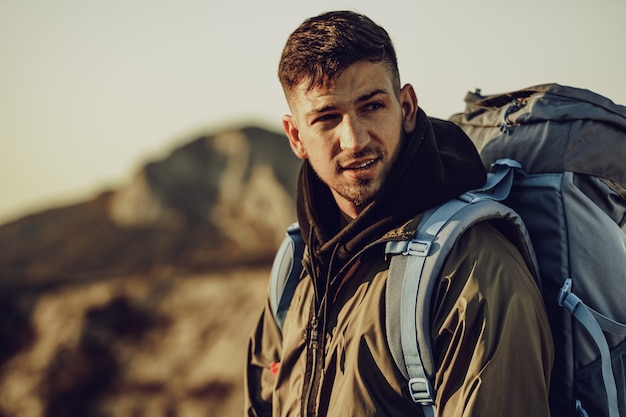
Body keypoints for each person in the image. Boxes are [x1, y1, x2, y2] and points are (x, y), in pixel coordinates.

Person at [244, 10, 553, 417]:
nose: (353, 140)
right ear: (296, 136)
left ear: (406, 107)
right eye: (327, 118)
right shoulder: (296, 266)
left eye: (371, 106)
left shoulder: (473, 269)